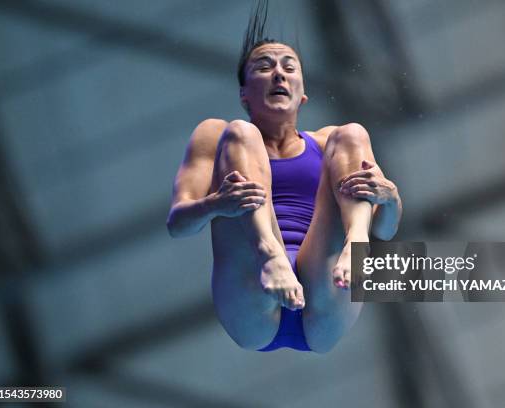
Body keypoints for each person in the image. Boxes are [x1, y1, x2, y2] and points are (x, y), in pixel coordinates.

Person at [167, 2, 402, 353]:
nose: (279, 74)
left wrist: (391, 197)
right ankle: (269, 253)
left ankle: (354, 244)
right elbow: (178, 224)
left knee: (352, 132)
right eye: (264, 67)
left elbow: (385, 229)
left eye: (288, 68)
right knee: (240, 134)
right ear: (244, 94)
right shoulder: (217, 137)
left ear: (302, 95)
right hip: (251, 288)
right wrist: (217, 203)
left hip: (327, 283)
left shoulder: (330, 144)